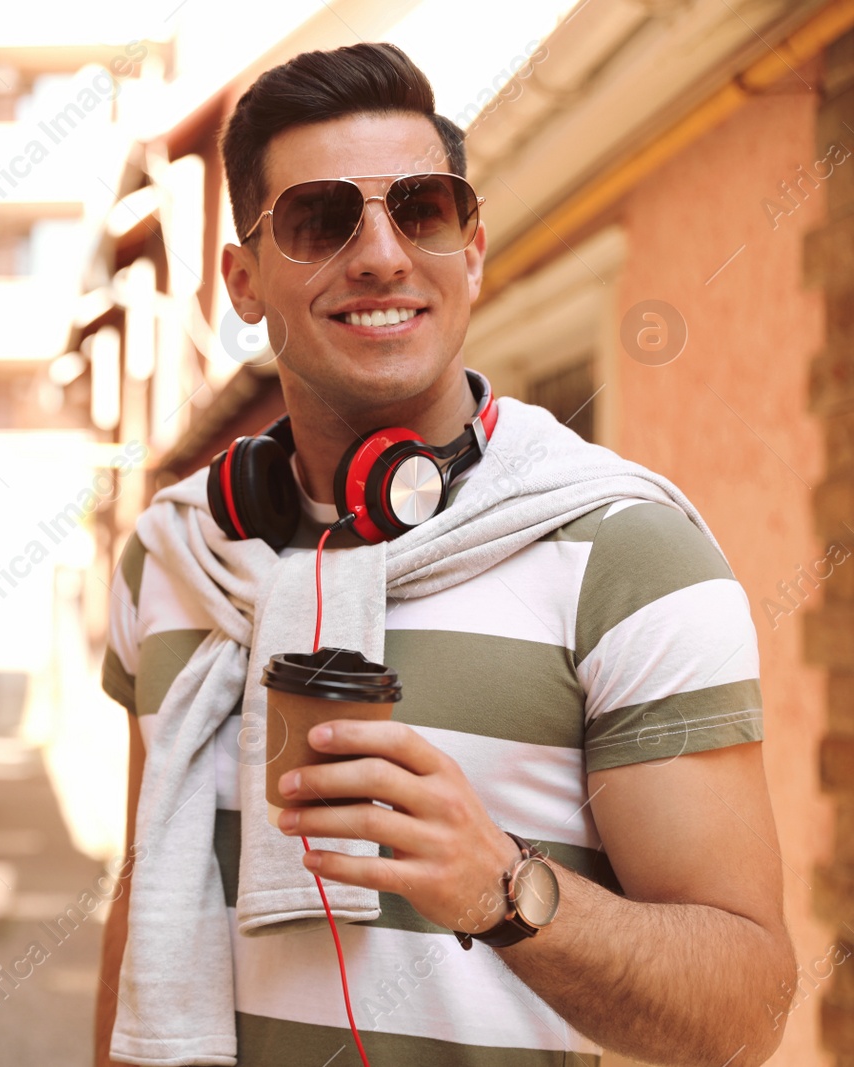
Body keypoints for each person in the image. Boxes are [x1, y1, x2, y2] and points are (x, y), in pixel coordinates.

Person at [94, 41, 795, 1067]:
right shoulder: (172, 556)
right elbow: (141, 897)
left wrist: (502, 889)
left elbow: (743, 1010)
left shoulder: (624, 549)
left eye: (419, 207)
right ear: (242, 282)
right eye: (320, 220)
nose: (380, 255)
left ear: (469, 248)